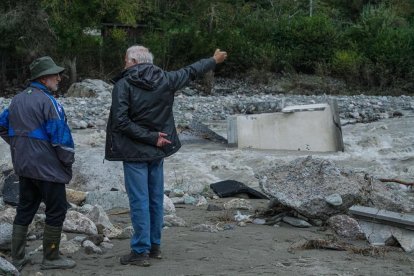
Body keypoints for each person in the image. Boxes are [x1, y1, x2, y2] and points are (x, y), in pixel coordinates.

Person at [105, 46, 228, 266]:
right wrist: (213, 59)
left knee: (140, 201)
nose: (124, 64)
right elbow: (192, 71)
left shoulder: (123, 85)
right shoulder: (166, 79)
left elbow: (121, 122)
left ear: (133, 61)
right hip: (159, 148)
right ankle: (154, 247)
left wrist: (150, 137)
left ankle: (140, 251)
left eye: (125, 60)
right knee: (155, 199)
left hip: (136, 151)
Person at [0, 56, 76, 270]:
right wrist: (67, 163)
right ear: (44, 79)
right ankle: (51, 258)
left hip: (24, 166)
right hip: (47, 167)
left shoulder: (17, 99)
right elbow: (61, 139)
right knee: (57, 209)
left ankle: (18, 258)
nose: (59, 78)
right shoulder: (49, 102)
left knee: (25, 208)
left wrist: (19, 144)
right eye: (55, 75)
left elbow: (1, 125)